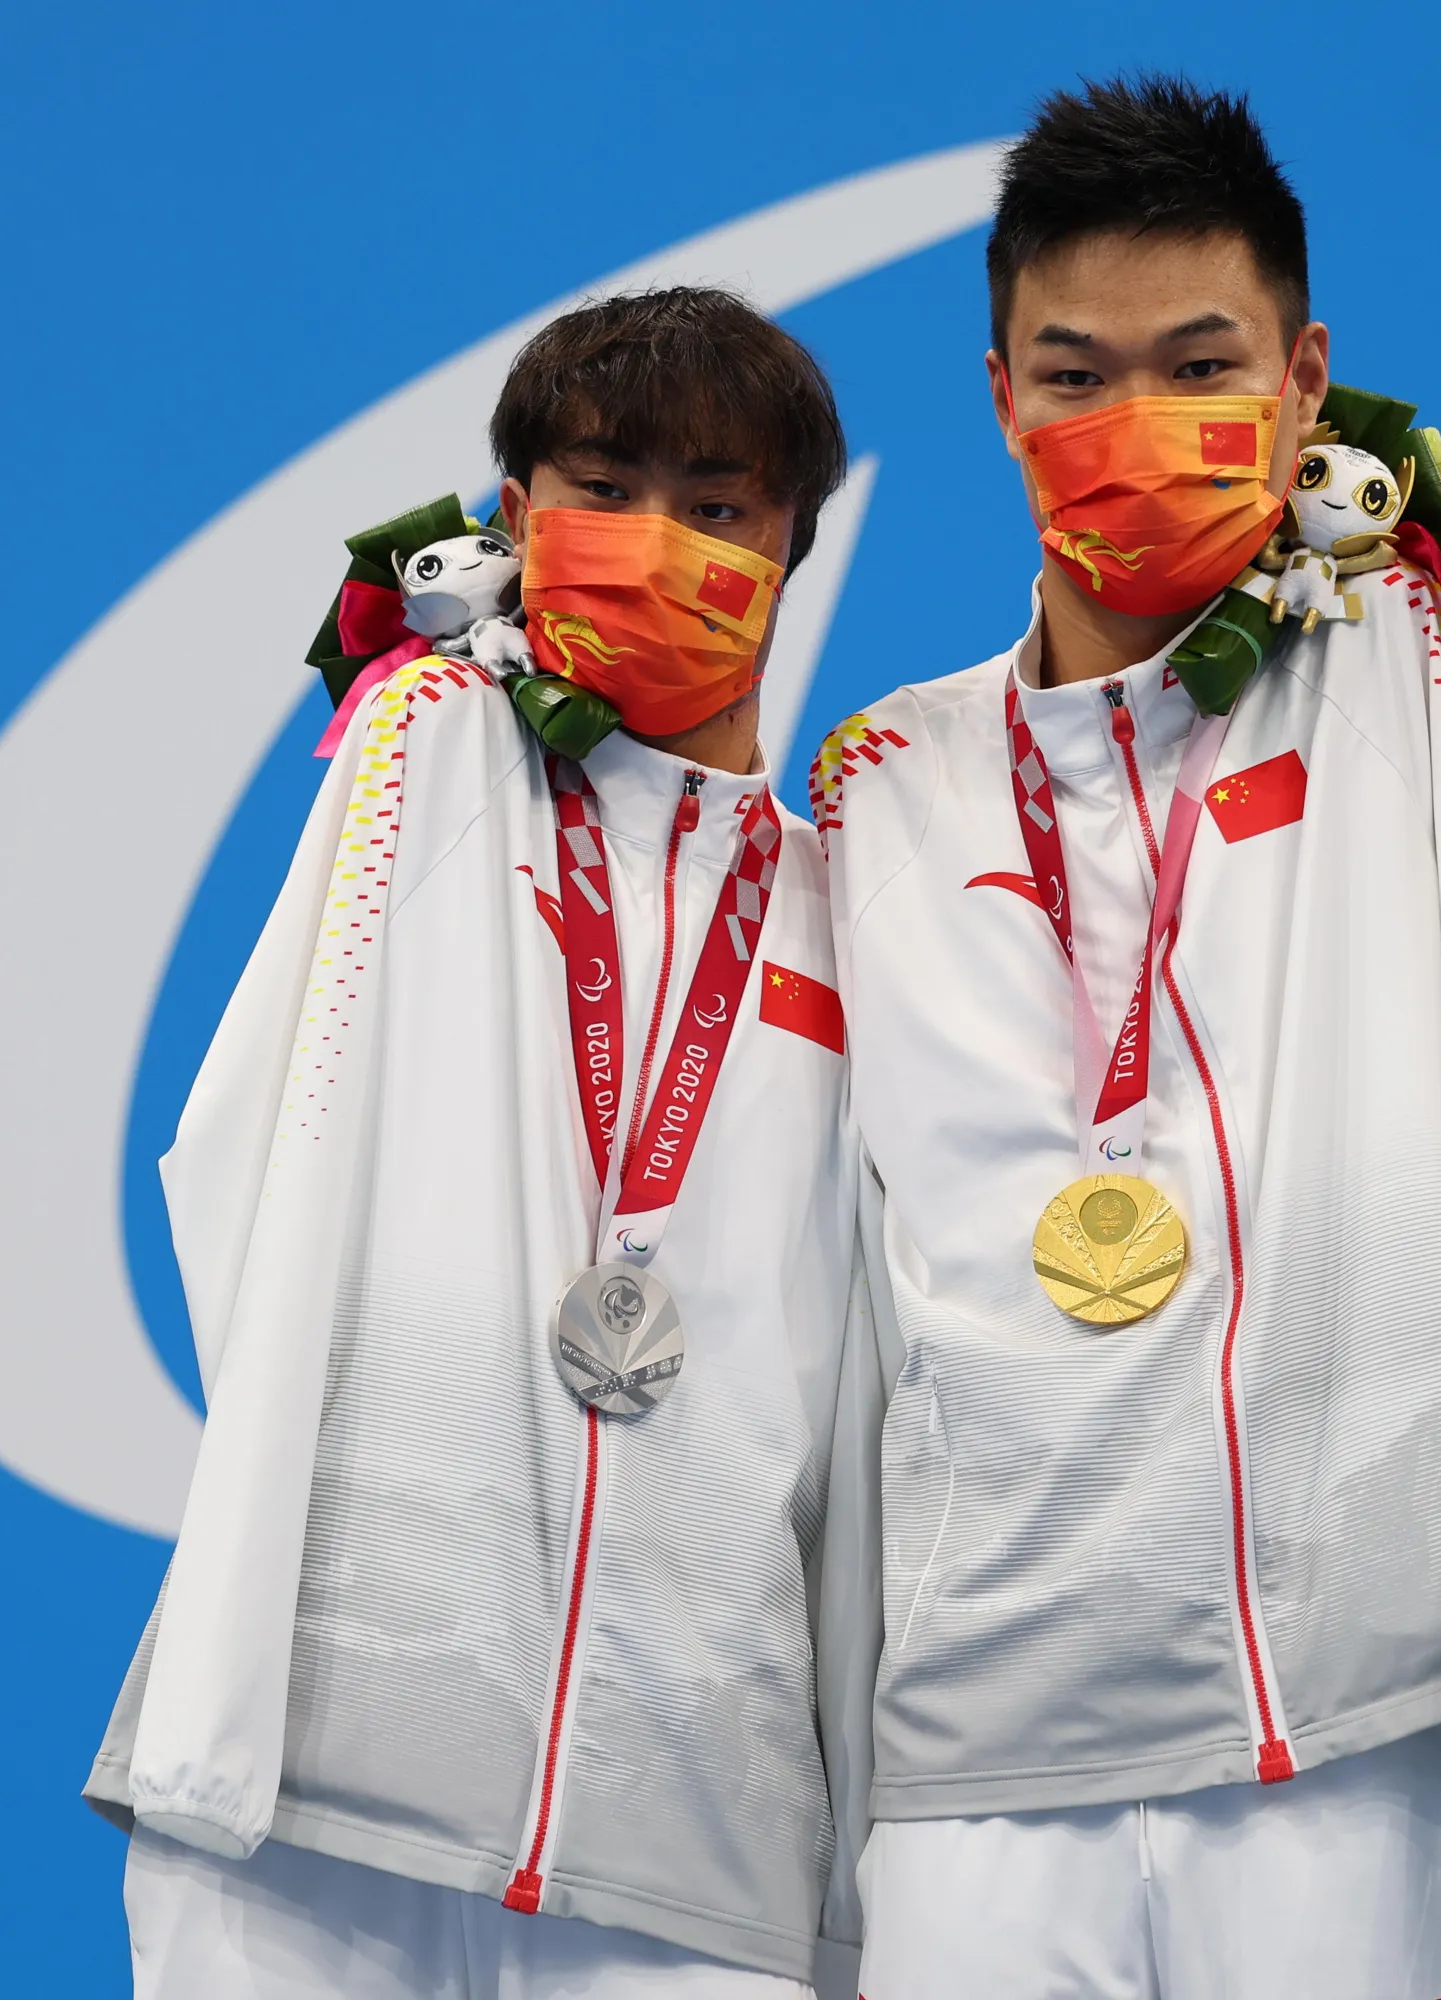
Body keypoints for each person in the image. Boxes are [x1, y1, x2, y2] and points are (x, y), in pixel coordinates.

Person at [812, 76, 1441, 1999]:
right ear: (998, 396)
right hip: (978, 1771)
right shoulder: (880, 786)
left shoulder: (1399, 644)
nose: (1133, 425)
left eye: (1200, 369)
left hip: (1355, 1752)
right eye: (1074, 376)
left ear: (1305, 382)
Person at [84, 287, 865, 1998]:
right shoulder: (428, 764)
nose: (656, 541)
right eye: (603, 490)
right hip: (318, 1773)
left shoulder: (848, 911)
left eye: (717, 506)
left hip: (694, 1818)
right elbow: (244, 1160)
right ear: (517, 518)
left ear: (792, 546)